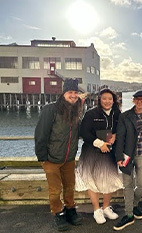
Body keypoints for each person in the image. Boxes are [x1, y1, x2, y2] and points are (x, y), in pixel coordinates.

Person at [35, 78, 83, 231]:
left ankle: (70, 210)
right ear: (63, 93)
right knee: (55, 190)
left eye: (75, 93)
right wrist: (42, 157)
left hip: (69, 158)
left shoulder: (76, 111)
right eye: (70, 92)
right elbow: (41, 133)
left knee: (70, 187)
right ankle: (58, 213)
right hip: (51, 159)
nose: (73, 95)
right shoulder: (51, 110)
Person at [76, 88, 123, 224]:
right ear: (99, 100)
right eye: (104, 99)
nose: (107, 101)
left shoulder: (117, 114)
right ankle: (97, 210)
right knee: (92, 179)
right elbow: (84, 132)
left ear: (114, 100)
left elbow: (121, 129)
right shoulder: (91, 114)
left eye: (110, 99)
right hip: (91, 151)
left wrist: (115, 136)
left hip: (109, 151)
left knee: (109, 179)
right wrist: (99, 143)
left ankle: (106, 207)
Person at [113, 90, 142, 231]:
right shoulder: (125, 116)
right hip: (127, 155)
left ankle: (134, 204)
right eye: (137, 99)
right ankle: (129, 214)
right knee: (128, 184)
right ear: (133, 100)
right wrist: (119, 156)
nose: (140, 101)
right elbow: (120, 137)